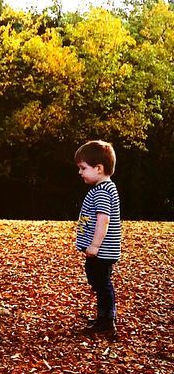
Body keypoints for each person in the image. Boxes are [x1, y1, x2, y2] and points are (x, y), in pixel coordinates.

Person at [75, 139, 121, 337]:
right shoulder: (102, 189)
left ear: (99, 168)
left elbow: (103, 220)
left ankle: (107, 321)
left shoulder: (102, 192)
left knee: (102, 283)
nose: (80, 172)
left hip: (102, 251)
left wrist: (94, 245)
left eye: (83, 168)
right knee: (98, 281)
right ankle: (102, 317)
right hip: (99, 252)